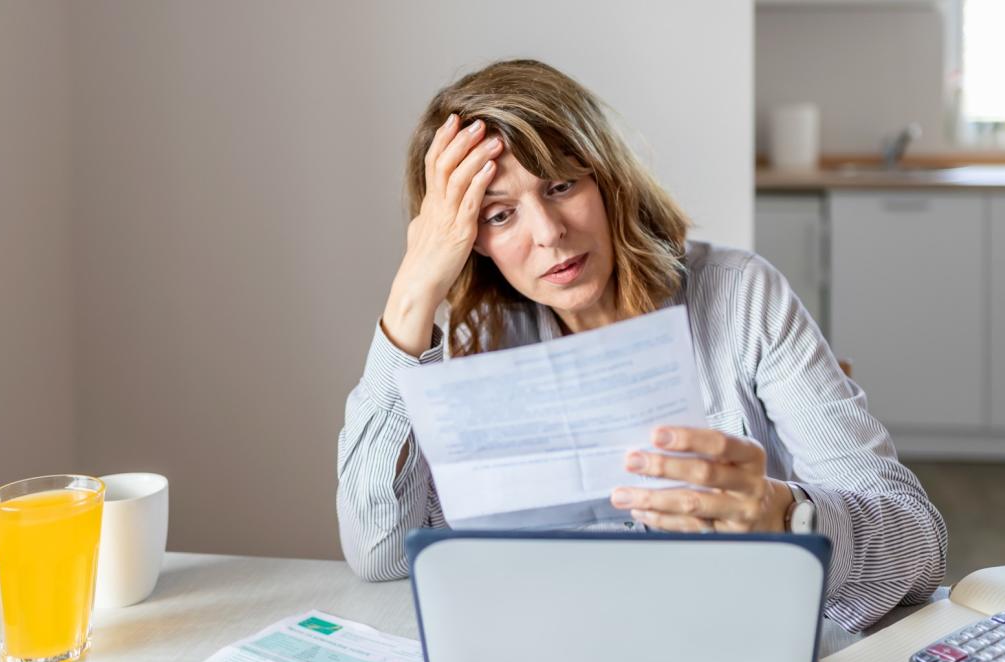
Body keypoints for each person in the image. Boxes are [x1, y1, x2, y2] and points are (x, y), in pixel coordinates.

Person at [336, 59, 946, 633]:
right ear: (466, 241)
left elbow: (920, 548)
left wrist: (784, 514)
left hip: (731, 643)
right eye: (499, 216)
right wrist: (410, 297)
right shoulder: (469, 342)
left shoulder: (740, 298)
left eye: (561, 185)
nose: (549, 234)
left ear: (608, 180)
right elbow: (378, 553)